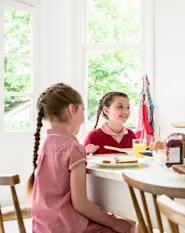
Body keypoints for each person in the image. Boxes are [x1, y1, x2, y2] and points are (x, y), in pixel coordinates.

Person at [27, 83, 137, 233]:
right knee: (131, 226)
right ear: (72, 110)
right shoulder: (73, 147)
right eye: (83, 110)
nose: (84, 117)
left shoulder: (47, 143)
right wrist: (114, 223)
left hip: (43, 226)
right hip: (68, 226)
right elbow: (81, 204)